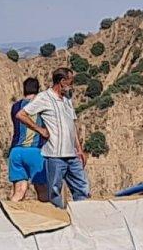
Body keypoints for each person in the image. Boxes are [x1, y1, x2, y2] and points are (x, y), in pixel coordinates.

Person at [18, 68, 90, 209]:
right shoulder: (44, 97)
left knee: (82, 187)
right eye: (70, 82)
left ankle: (83, 216)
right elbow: (21, 115)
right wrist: (40, 130)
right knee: (55, 191)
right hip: (55, 154)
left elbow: (72, 126)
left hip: (72, 154)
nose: (72, 86)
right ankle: (60, 219)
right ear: (62, 82)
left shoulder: (67, 100)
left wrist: (79, 150)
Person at [8, 78, 50, 202]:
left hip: (15, 151)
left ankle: (8, 217)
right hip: (34, 151)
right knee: (42, 190)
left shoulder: (15, 106)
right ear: (38, 89)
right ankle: (46, 218)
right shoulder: (41, 106)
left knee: (19, 191)